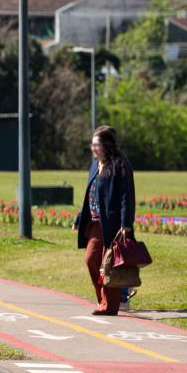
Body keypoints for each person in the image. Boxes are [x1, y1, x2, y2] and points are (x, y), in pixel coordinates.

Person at [73, 125, 136, 316]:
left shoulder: (119, 165)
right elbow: (90, 193)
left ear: (107, 145)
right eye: (92, 144)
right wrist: (79, 217)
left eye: (96, 145)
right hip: (93, 222)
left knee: (108, 264)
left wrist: (126, 224)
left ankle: (111, 304)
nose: (93, 148)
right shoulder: (95, 164)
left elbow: (126, 196)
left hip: (112, 224)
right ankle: (105, 300)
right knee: (92, 259)